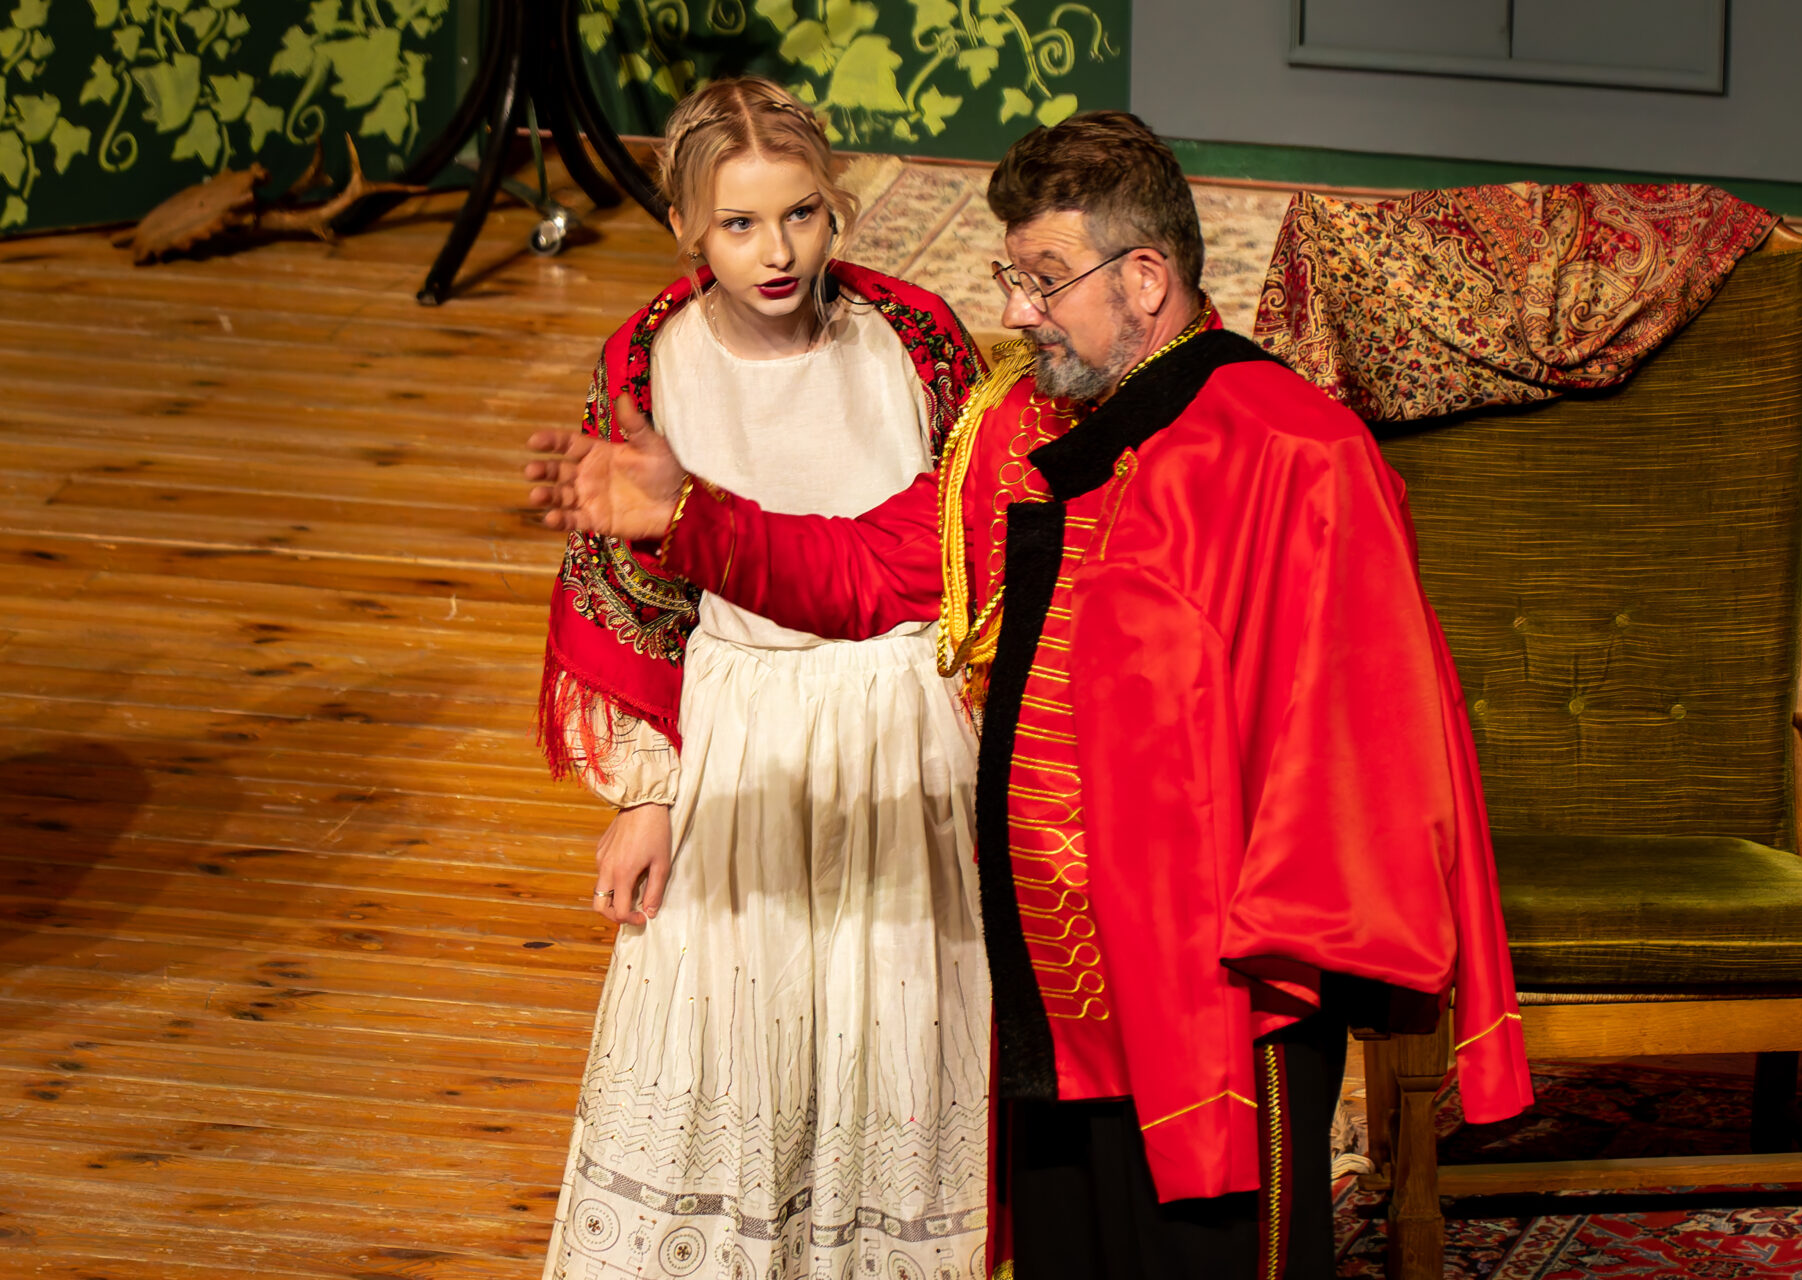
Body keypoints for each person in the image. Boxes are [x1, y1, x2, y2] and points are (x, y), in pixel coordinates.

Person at [527, 111, 1534, 1279]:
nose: (1013, 311)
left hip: (1214, 998)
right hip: (1048, 992)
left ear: (1144, 278)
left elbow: (1368, 746)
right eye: (1012, 277)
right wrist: (688, 516)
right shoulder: (1014, 429)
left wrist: (1280, 967)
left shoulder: (1294, 452)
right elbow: (866, 573)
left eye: (1044, 280)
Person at [534, 77, 992, 1280]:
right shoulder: (650, 363)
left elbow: (974, 536)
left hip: (902, 728)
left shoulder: (917, 340)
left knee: (898, 1019)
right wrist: (647, 792)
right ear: (687, 227)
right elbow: (630, 591)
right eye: (739, 224)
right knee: (734, 1025)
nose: (777, 252)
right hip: (743, 734)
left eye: (801, 214)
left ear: (837, 206)